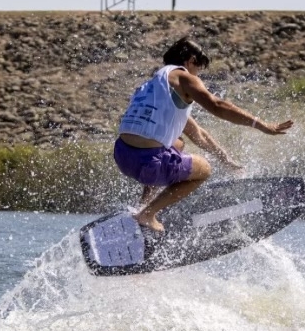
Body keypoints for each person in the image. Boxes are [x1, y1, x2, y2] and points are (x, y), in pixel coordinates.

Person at [114, 37, 294, 232]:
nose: (198, 75)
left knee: (178, 144)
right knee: (204, 169)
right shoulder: (184, 78)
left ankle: (143, 205)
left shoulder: (155, 85)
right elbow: (218, 106)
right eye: (198, 68)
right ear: (191, 61)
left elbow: (198, 134)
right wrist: (262, 125)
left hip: (123, 157)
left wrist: (226, 160)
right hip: (147, 163)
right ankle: (147, 214)